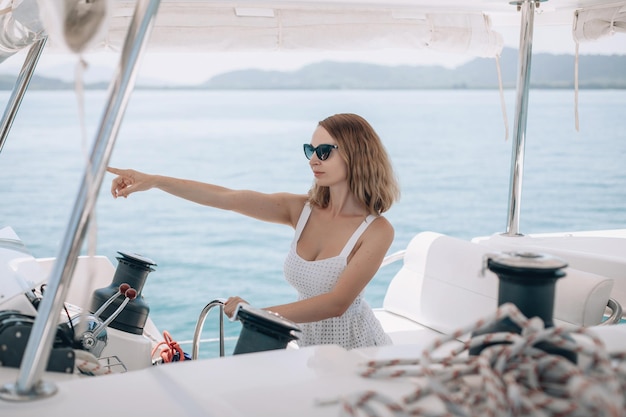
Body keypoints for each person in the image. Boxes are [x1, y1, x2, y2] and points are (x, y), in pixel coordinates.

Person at [107, 113, 400, 350]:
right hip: (310, 350)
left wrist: (256, 314)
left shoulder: (376, 231)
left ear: (355, 154)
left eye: (324, 151)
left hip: (358, 351)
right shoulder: (300, 209)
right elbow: (228, 197)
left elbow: (337, 304)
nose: (313, 160)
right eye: (310, 150)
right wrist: (155, 181)